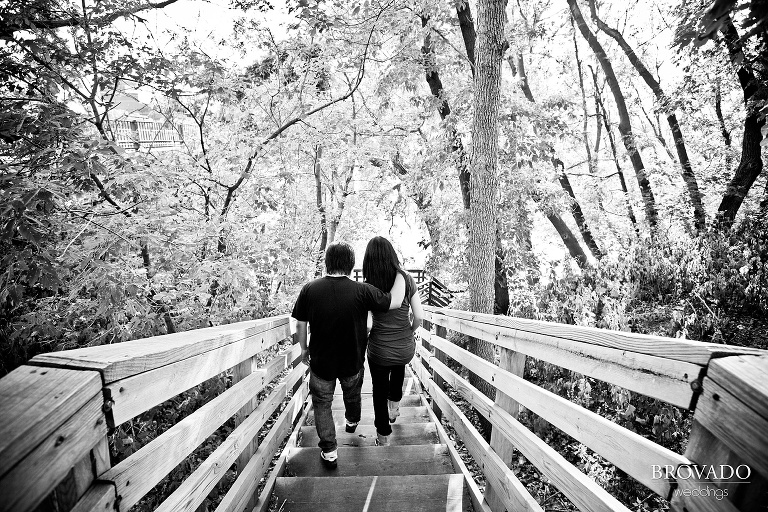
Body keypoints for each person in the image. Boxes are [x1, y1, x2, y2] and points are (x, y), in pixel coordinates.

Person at [292, 241, 405, 469]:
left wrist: (303, 348)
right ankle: (352, 420)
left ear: (327, 263)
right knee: (352, 396)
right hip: (352, 361)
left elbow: (301, 323)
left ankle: (330, 451)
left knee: (322, 403)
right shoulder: (362, 291)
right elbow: (393, 302)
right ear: (352, 265)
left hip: (321, 362)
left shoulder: (310, 289)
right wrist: (401, 274)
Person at [362, 236, 424, 446]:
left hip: (379, 348)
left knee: (379, 389)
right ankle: (394, 407)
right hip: (404, 345)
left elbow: (367, 323)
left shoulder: (367, 286)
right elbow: (420, 316)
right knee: (398, 368)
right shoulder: (406, 280)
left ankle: (383, 435)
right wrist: (410, 330)